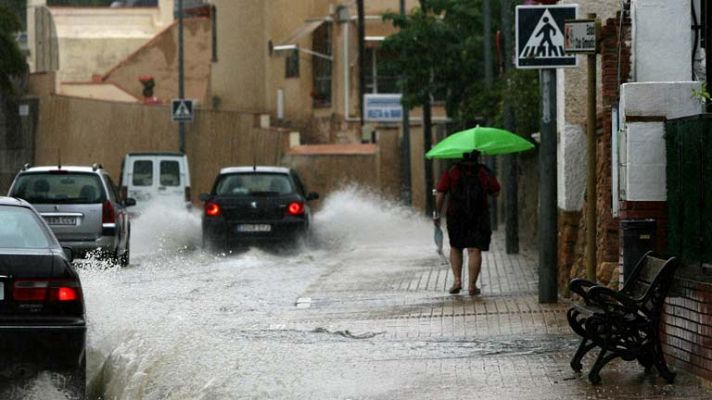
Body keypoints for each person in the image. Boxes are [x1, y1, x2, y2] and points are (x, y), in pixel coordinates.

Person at [433, 150, 501, 296]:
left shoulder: (452, 170)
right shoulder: (484, 171)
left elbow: (440, 193)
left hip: (456, 215)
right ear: (478, 156)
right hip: (479, 215)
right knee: (474, 249)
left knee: (456, 247)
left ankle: (457, 281)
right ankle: (472, 286)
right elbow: (496, 192)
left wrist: (437, 213)